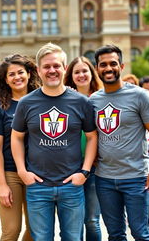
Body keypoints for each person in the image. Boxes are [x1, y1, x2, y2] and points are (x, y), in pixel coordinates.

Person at [11, 42, 97, 241]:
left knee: (74, 238)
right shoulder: (27, 103)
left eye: (57, 66)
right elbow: (16, 137)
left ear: (65, 69)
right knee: (41, 239)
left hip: (72, 185)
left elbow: (92, 138)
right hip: (38, 186)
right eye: (47, 66)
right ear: (39, 70)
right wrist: (22, 171)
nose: (52, 70)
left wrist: (84, 172)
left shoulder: (81, 102)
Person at [89, 44, 149, 241]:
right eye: (103, 64)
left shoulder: (140, 96)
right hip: (104, 179)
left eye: (113, 63)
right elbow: (91, 137)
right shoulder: (93, 100)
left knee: (141, 233)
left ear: (122, 66)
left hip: (136, 177)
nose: (108, 68)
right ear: (97, 68)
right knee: (115, 235)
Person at [0, 54, 40, 241]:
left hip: (36, 173)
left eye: (20, 72)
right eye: (11, 74)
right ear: (5, 79)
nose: (17, 77)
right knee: (12, 230)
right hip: (8, 173)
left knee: (36, 230)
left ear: (29, 74)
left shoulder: (41, 101)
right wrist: (1, 184)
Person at [65, 56, 102, 241]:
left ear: (91, 73)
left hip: (95, 167)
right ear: (70, 75)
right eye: (76, 72)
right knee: (74, 222)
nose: (81, 75)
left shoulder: (100, 99)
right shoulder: (64, 98)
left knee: (92, 220)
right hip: (70, 167)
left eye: (84, 71)